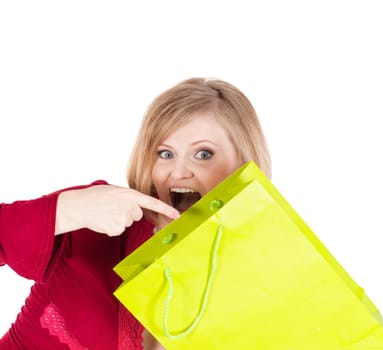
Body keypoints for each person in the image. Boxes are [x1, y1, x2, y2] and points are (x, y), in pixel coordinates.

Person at [0, 77, 271, 349]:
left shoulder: (264, 269)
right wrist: (66, 210)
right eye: (165, 154)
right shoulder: (96, 218)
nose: (178, 172)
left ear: (243, 162)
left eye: (203, 154)